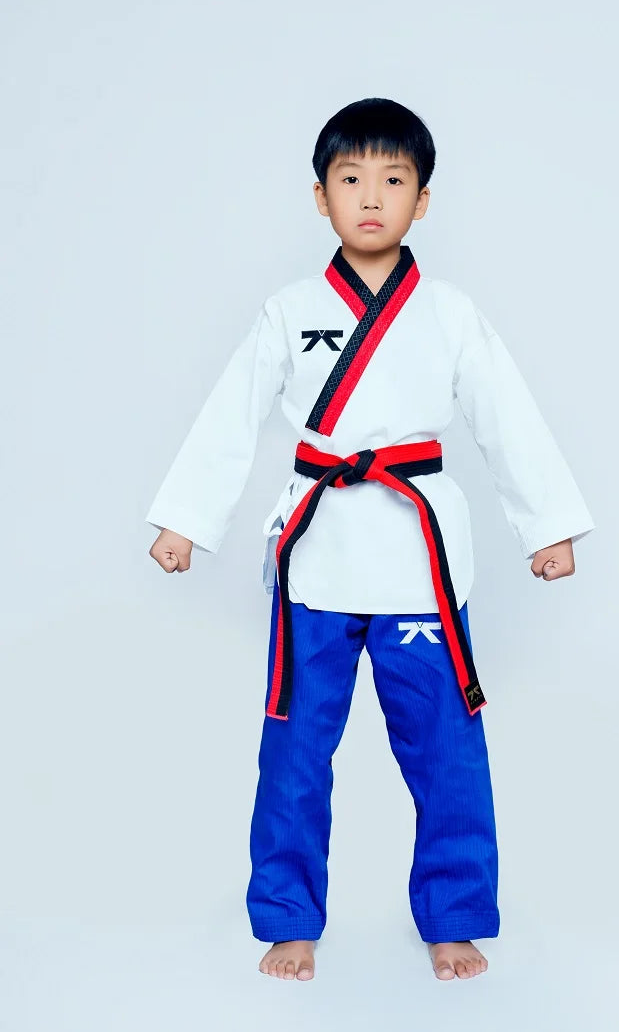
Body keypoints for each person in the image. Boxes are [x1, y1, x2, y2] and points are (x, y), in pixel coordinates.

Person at [145, 97, 595, 982]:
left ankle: (453, 917)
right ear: (321, 197)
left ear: (423, 200)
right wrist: (186, 519)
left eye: (394, 180)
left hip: (419, 561)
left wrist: (547, 525)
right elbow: (233, 411)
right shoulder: (290, 309)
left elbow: (505, 415)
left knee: (446, 748)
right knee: (295, 749)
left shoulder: (450, 312)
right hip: (318, 556)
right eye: (351, 179)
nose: (372, 197)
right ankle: (288, 918)